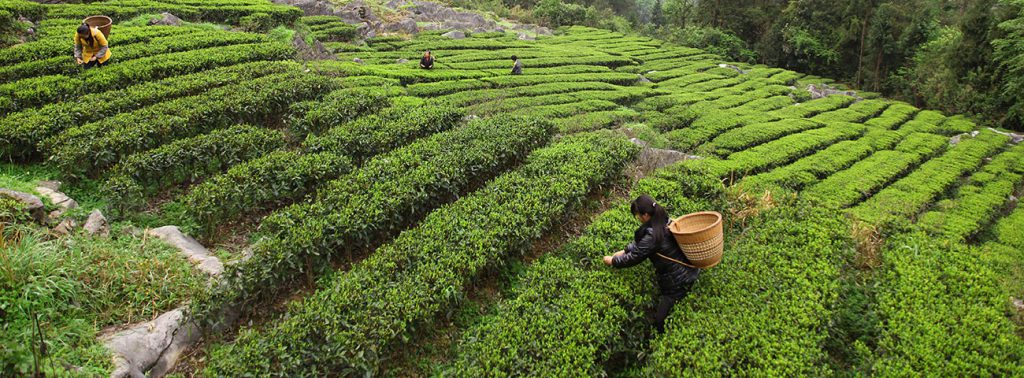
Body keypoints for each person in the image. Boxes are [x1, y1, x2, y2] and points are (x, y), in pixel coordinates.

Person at [603, 195, 700, 333]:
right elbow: (642, 245)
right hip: (688, 270)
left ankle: (661, 337)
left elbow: (635, 257)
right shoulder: (663, 220)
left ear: (646, 215)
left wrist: (612, 261)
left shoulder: (653, 234)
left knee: (660, 320)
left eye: (638, 215)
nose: (638, 219)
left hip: (678, 281)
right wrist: (624, 250)